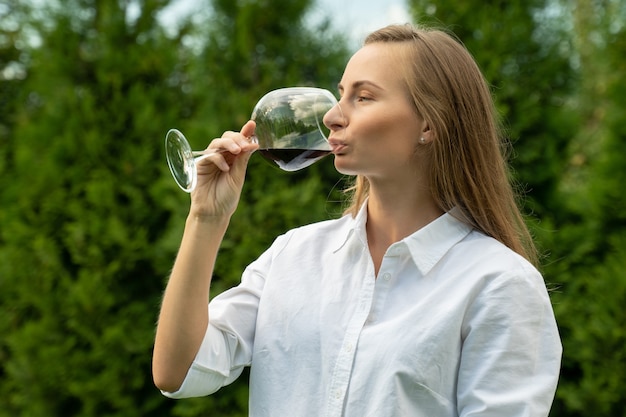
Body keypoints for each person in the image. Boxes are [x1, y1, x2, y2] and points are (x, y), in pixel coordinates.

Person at [152, 24, 562, 417]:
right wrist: (206, 219)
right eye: (340, 94)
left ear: (429, 124)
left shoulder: (498, 284)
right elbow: (178, 372)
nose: (332, 116)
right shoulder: (293, 257)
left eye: (362, 97)